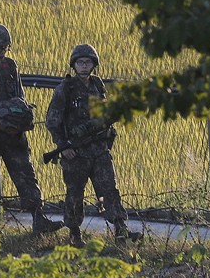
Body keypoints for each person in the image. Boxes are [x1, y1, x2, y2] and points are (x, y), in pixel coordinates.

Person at [0, 23, 64, 235]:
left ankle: (39, 218)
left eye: (5, 48)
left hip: (12, 133)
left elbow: (20, 96)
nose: (2, 52)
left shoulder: (10, 66)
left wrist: (18, 120)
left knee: (25, 173)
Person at [45, 44, 142, 247]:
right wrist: (64, 146)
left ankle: (120, 230)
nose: (83, 66)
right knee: (75, 194)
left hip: (98, 149)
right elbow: (53, 121)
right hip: (76, 152)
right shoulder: (66, 89)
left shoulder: (97, 85)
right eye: (80, 62)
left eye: (87, 62)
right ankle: (74, 232)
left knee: (110, 190)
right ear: (74, 65)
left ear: (93, 65)